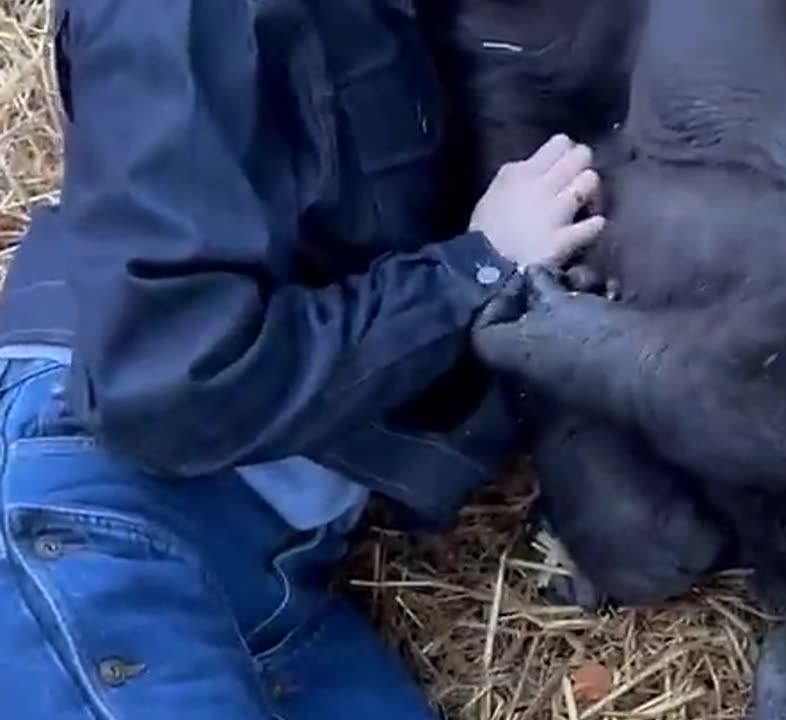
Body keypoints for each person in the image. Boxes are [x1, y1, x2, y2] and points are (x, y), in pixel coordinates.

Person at [0, 1, 605, 718]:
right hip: (102, 508)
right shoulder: (175, 14)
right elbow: (166, 383)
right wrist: (473, 268)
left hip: (274, 577)